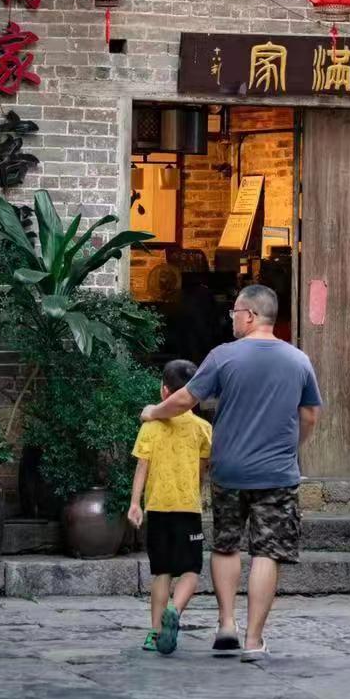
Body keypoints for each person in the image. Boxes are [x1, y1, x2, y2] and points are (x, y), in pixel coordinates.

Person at [139, 283, 322, 660]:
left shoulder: (223, 356)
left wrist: (154, 412)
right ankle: (254, 640)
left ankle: (226, 625)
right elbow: (309, 415)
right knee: (267, 552)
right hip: (277, 471)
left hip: (229, 470)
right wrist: (292, 447)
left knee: (225, 545)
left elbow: (186, 399)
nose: (232, 319)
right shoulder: (298, 360)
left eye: (235, 313)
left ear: (250, 315)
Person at [128, 359, 212, 656]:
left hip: (158, 508)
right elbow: (202, 472)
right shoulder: (203, 429)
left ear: (164, 391)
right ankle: (174, 610)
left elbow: (142, 467)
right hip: (188, 509)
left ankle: (154, 632)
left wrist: (135, 503)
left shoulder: (151, 426)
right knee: (191, 569)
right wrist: (196, 494)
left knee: (161, 571)